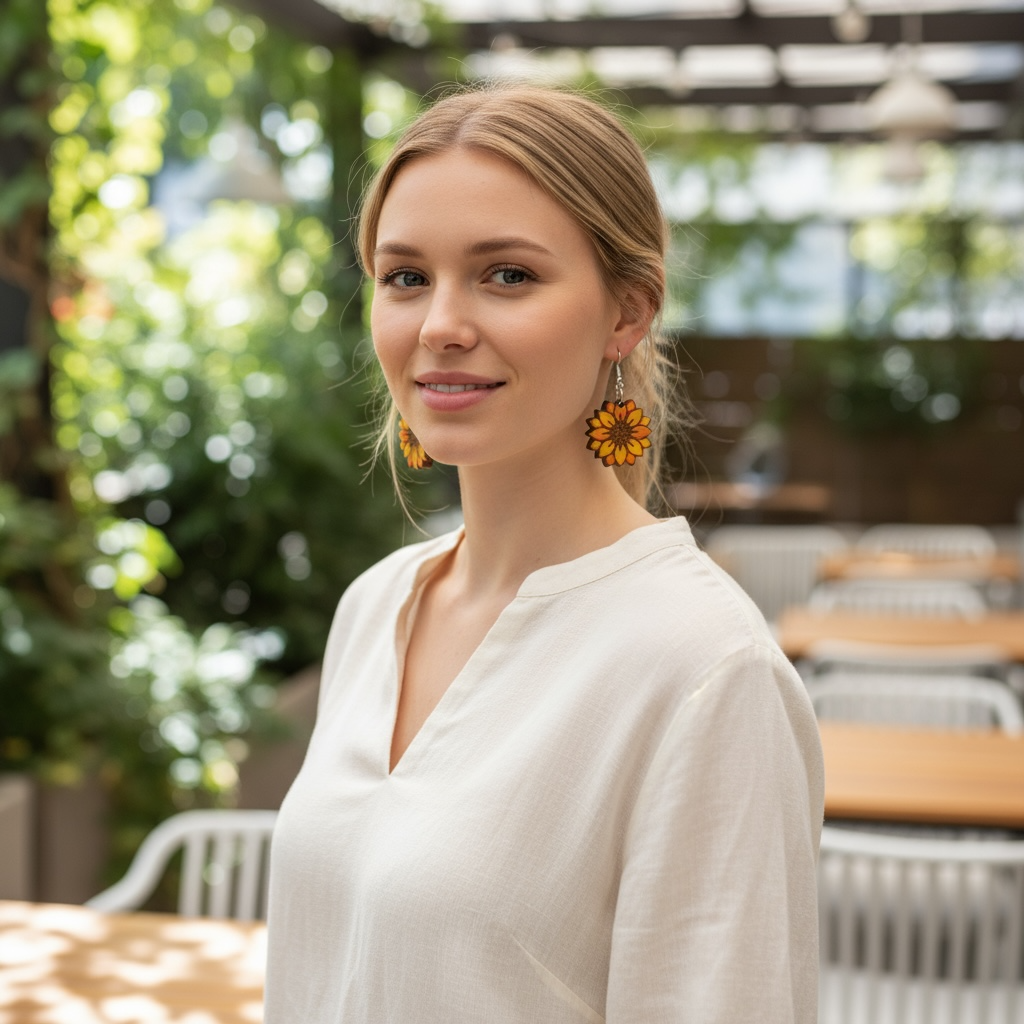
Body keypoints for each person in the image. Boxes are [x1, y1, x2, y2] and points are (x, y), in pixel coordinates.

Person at [263, 84, 824, 1023]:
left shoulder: (705, 670)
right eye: (405, 277)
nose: (439, 322)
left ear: (626, 314)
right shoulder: (375, 606)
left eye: (507, 275)